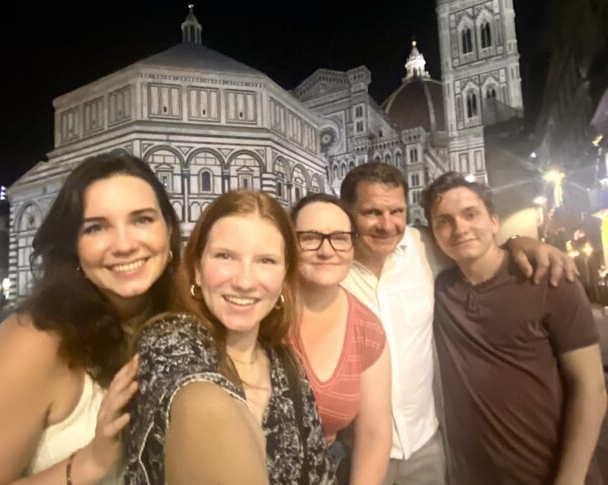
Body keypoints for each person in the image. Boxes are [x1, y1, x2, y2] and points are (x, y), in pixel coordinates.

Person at [0, 153, 180, 485]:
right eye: (96, 227)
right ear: (73, 247)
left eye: (142, 220)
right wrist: (91, 461)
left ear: (170, 229)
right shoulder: (33, 343)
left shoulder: (176, 325)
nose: (124, 244)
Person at [338, 162, 578, 485]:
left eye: (397, 211)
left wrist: (522, 242)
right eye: (371, 212)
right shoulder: (329, 265)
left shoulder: (423, 247)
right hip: (357, 452)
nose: (387, 224)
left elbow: (474, 242)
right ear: (347, 212)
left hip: (426, 450)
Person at [124, 190, 334, 485]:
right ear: (197, 268)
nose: (244, 281)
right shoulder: (167, 343)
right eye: (225, 256)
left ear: (284, 276)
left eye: (266, 261)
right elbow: (191, 389)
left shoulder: (287, 367)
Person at [420, 172, 606, 485]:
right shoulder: (436, 290)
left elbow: (591, 389)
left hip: (553, 474)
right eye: (444, 221)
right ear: (434, 234)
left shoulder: (549, 278)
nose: (460, 228)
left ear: (494, 221)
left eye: (470, 214)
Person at [289, 193, 391, 484]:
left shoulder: (367, 330)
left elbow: (374, 433)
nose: (326, 250)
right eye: (310, 237)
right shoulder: (258, 310)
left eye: (340, 237)